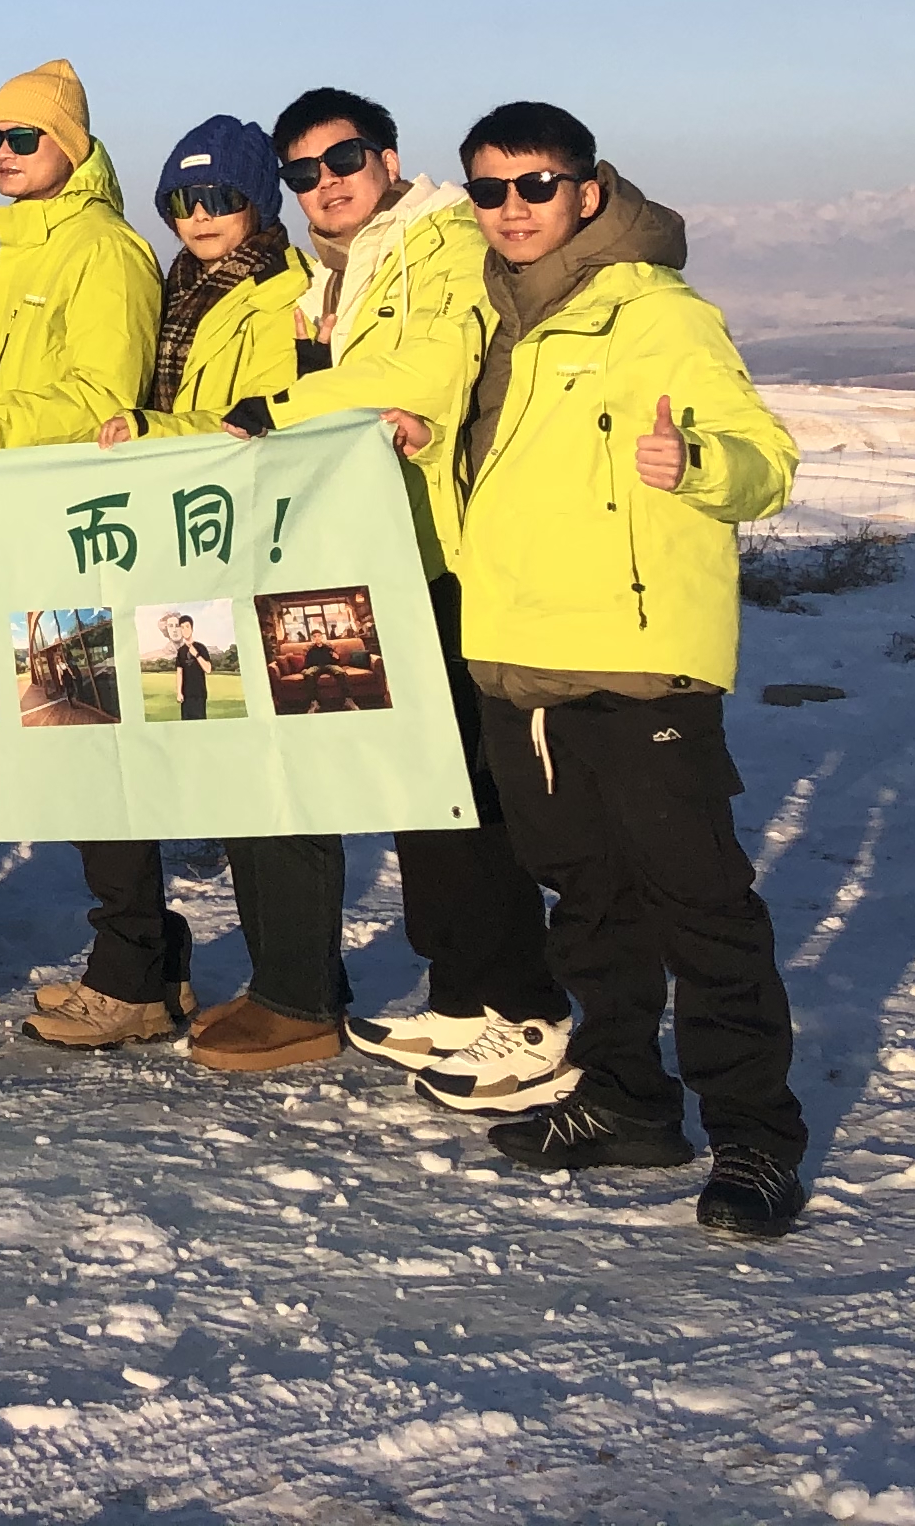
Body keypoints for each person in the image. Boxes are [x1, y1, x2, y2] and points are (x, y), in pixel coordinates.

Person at [444, 103, 808, 1239]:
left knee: (698, 906)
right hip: (519, 656)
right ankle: (626, 1101)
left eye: (535, 187)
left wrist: (699, 461)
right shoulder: (486, 313)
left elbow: (770, 461)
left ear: (588, 190)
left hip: (637, 657)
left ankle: (754, 1136)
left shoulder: (659, 315)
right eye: (490, 191)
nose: (512, 210)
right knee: (589, 904)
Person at [234, 86, 576, 1104]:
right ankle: (463, 996)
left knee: (465, 786)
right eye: (303, 175)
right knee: (417, 786)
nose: (325, 186)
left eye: (342, 162)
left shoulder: (435, 244)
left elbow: (423, 371)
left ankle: (520, 1004)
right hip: (367, 552)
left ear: (387, 159)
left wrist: (274, 412)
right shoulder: (327, 278)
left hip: (435, 553)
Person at [35, 118, 346, 1071]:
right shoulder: (181, 291)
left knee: (272, 768)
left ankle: (302, 993)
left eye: (221, 198)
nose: (199, 217)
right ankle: (279, 981)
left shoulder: (281, 293)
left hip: (256, 554)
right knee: (224, 767)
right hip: (185, 554)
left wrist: (143, 427)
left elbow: (254, 427)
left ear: (259, 202)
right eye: (183, 200)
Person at [0, 62, 164, 1026]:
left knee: (87, 749)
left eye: (24, 139)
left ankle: (134, 967)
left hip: (73, 536)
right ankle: (143, 962)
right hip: (13, 535)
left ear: (74, 146)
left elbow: (106, 399)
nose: (5, 155)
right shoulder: (20, 256)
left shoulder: (106, 250)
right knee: (37, 747)